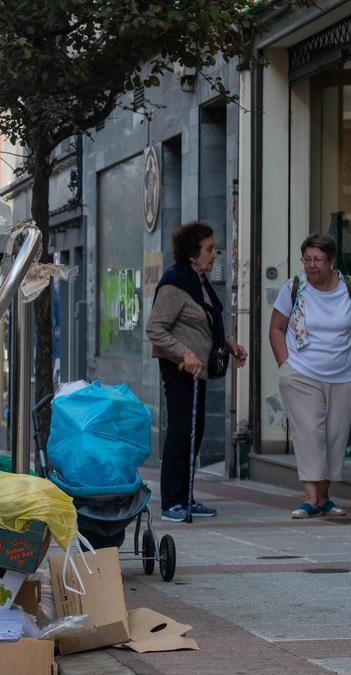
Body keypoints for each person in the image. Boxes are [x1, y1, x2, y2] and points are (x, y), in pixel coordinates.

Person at [269, 233, 351, 519]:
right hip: (302, 372)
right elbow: (276, 328)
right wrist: (285, 365)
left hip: (342, 374)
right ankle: (310, 497)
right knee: (310, 433)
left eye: (317, 260)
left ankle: (325, 498)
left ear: (331, 261)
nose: (311, 266)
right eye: (307, 259)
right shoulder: (294, 288)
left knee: (334, 436)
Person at [147, 222, 247, 522]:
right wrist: (185, 353)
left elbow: (204, 322)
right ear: (192, 254)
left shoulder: (199, 280)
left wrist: (228, 343)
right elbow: (155, 328)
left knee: (194, 431)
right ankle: (171, 503)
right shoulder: (175, 283)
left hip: (197, 370)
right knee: (181, 431)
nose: (214, 254)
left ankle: (186, 496)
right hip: (180, 369)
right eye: (208, 249)